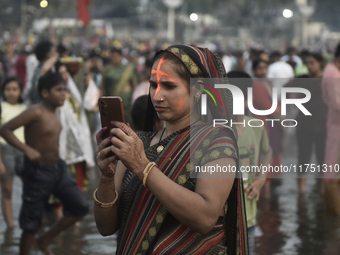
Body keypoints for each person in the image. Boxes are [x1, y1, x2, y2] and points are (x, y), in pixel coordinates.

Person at [94, 45, 248, 254]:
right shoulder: (140, 143)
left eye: (169, 86)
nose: (157, 96)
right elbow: (105, 228)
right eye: (153, 85)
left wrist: (141, 166)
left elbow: (205, 218)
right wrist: (106, 177)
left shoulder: (217, 141)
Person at [0, 71, 89, 255]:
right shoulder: (35, 111)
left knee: (80, 206)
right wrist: (27, 149)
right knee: (31, 223)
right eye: (59, 90)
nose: (64, 94)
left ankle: (44, 240)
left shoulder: (56, 111)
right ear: (45, 93)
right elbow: (5, 129)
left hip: (58, 169)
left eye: (65, 90)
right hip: (37, 171)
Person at [228, 70, 273, 255]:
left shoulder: (256, 127)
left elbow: (268, 150)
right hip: (221, 219)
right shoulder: (215, 131)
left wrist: (262, 177)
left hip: (249, 218)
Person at [288, 53, 327, 193]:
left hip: (323, 125)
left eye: (312, 63)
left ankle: (322, 191)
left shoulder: (327, 80)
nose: (309, 66)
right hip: (304, 125)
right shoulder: (302, 80)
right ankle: (302, 191)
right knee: (303, 159)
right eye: (307, 63)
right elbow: (286, 91)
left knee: (323, 159)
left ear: (320, 63)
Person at [252, 58, 282, 198]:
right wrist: (280, 116)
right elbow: (269, 106)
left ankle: (266, 198)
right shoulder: (256, 85)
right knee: (265, 157)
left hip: (272, 123)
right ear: (254, 71)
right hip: (264, 124)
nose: (262, 71)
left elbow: (277, 103)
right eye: (259, 68)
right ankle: (265, 197)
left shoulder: (267, 84)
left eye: (265, 67)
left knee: (269, 156)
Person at [0, 77, 26, 228]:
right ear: (3, 91)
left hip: (23, 149)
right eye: (8, 89)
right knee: (7, 190)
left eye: (14, 89)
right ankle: (10, 227)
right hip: (5, 150)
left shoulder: (25, 108)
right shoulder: (1, 107)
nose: (11, 93)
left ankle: (31, 222)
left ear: (20, 91)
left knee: (30, 188)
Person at [322, 42, 340, 215]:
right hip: (337, 127)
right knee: (333, 173)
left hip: (334, 125)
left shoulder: (331, 70)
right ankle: (335, 216)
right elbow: (336, 103)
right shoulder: (333, 73)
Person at [101, 47, 139, 125]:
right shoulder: (107, 69)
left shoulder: (128, 68)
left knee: (127, 124)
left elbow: (134, 85)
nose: (114, 58)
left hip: (126, 103)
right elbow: (103, 86)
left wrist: (134, 101)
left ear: (121, 57)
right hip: (111, 102)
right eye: (113, 57)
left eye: (116, 56)